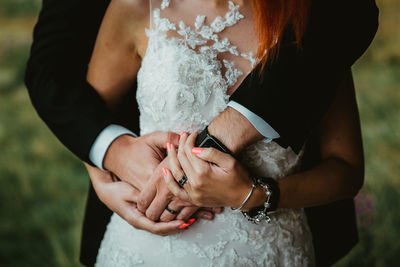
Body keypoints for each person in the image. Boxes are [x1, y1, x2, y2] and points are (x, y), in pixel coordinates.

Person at [24, 0, 379, 265]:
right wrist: (107, 161)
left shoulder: (313, 23)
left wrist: (254, 195)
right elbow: (84, 104)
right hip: (149, 248)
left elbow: (345, 168)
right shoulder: (136, 7)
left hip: (272, 250)